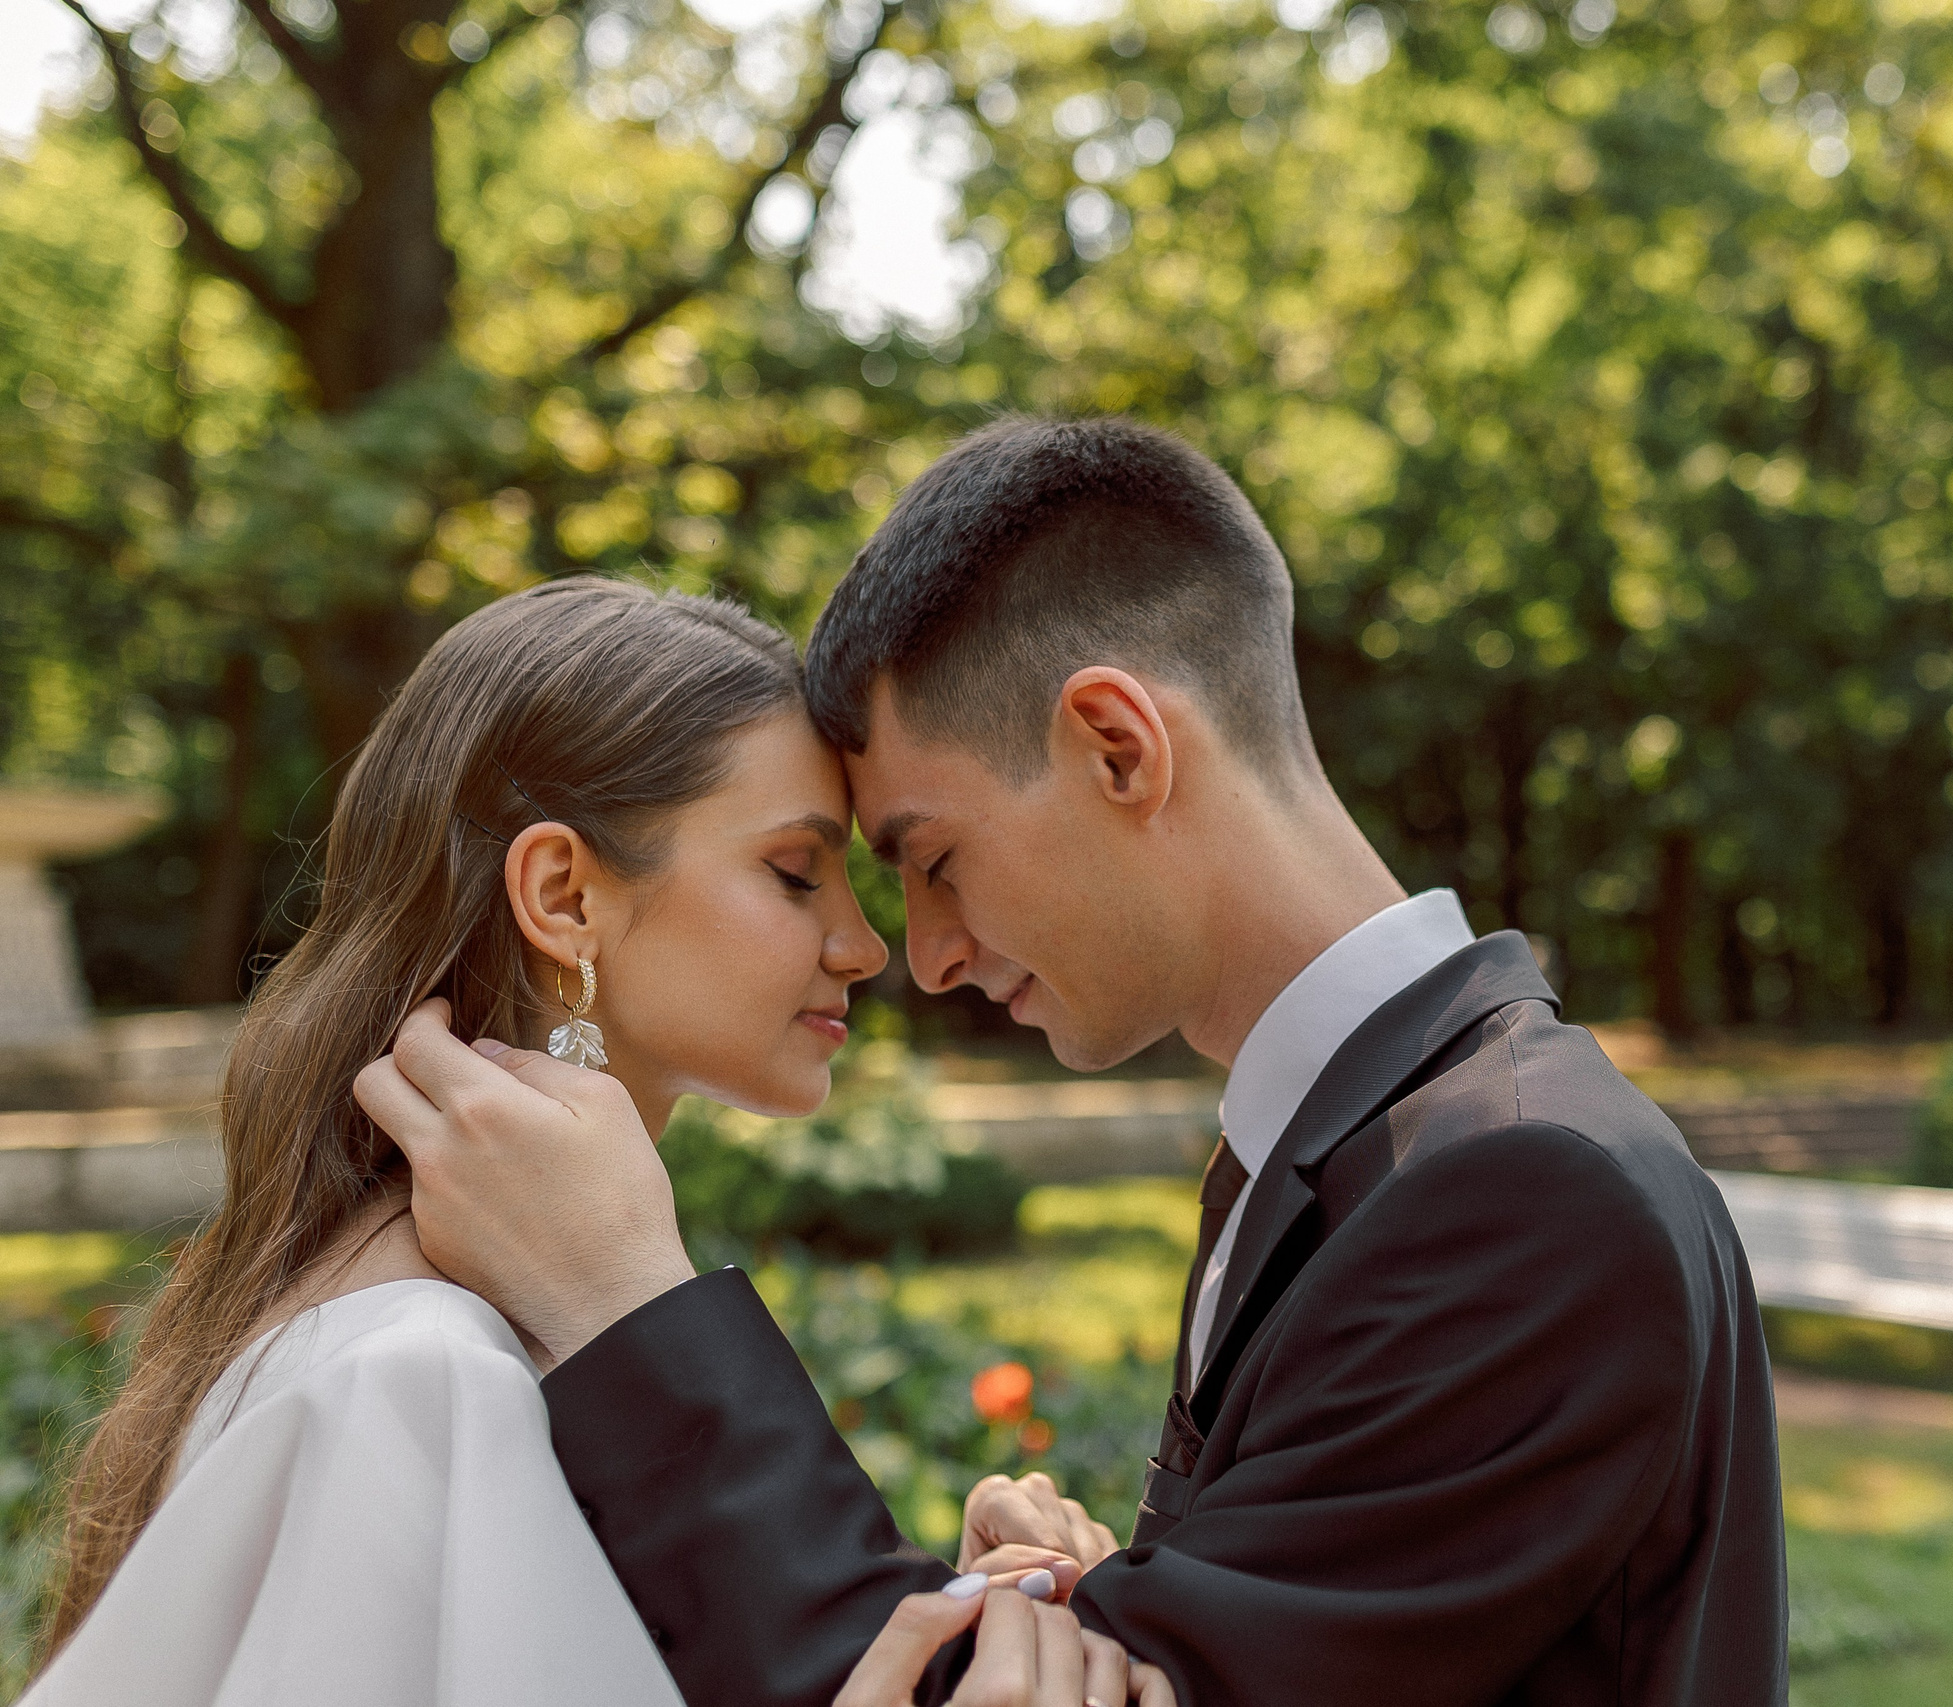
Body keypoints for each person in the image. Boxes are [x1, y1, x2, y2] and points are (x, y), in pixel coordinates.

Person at [368, 417, 1791, 1706]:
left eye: (931, 858)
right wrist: (1060, 1610)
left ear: (1117, 748)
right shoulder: (1374, 1137)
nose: (920, 953)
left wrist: (623, 1298)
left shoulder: (1518, 1187)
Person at [24, 579, 1162, 1707]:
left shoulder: (512, 1323)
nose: (867, 947)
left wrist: (929, 1654)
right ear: (564, 895)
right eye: (795, 874)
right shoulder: (418, 1373)